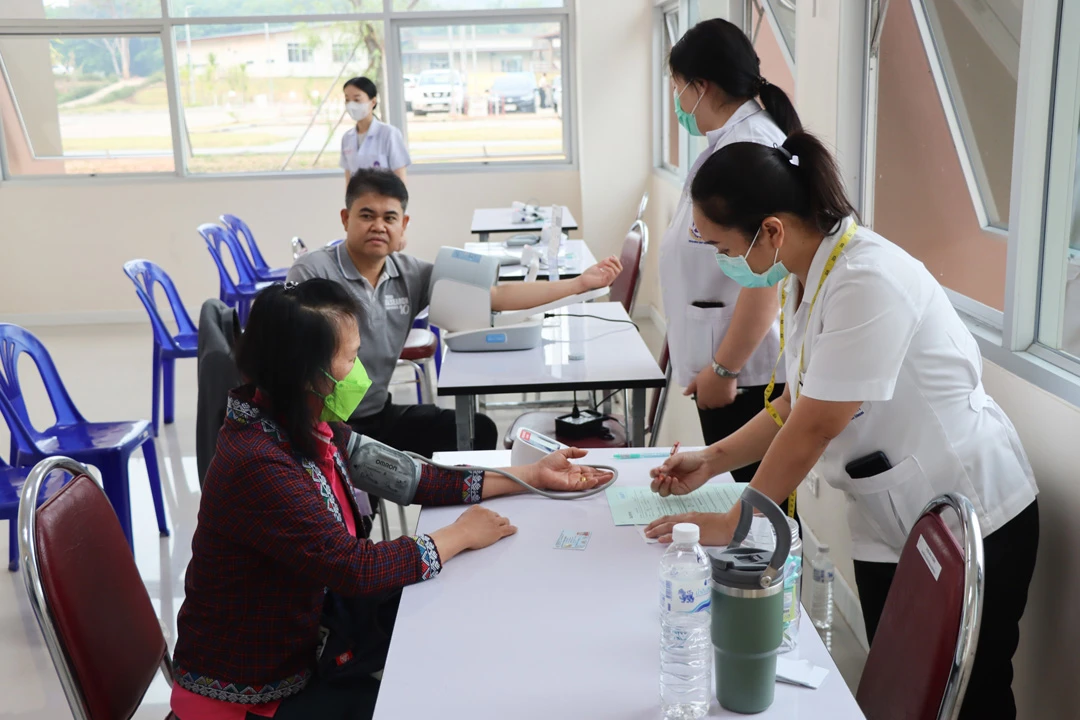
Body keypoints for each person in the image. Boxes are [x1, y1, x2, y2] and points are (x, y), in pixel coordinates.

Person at [644, 133, 1040, 720]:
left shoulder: (866, 279)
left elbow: (816, 425)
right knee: (900, 688)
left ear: (771, 230)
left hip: (975, 512)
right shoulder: (813, 275)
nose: (723, 263)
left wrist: (737, 520)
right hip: (891, 514)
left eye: (723, 245)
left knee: (971, 697)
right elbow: (796, 406)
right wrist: (715, 459)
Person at [171, 279, 613, 720]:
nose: (359, 369)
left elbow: (412, 477)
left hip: (307, 647)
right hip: (250, 695)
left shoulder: (301, 421)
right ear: (306, 374)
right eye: (349, 358)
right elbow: (355, 568)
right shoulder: (259, 462)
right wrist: (457, 536)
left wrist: (529, 475)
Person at [286, 169, 623, 457]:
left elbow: (495, 296)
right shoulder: (311, 272)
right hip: (321, 423)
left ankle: (460, 520)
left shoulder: (411, 274)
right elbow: (289, 358)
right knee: (358, 505)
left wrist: (578, 283)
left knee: (476, 432)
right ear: (346, 219)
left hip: (376, 414)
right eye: (366, 215)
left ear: (403, 225)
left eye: (389, 218)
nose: (378, 226)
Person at [660, 19, 803, 506]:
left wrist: (722, 369)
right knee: (742, 506)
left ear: (702, 86)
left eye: (679, 89)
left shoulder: (751, 147)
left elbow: (765, 280)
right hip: (727, 370)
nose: (679, 103)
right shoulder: (727, 143)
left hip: (744, 376)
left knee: (759, 515)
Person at [340, 77, 409, 189]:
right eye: (347, 100)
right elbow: (349, 180)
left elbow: (400, 178)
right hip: (359, 203)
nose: (351, 104)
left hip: (385, 201)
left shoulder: (389, 134)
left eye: (357, 100)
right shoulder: (347, 138)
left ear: (372, 102)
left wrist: (396, 206)